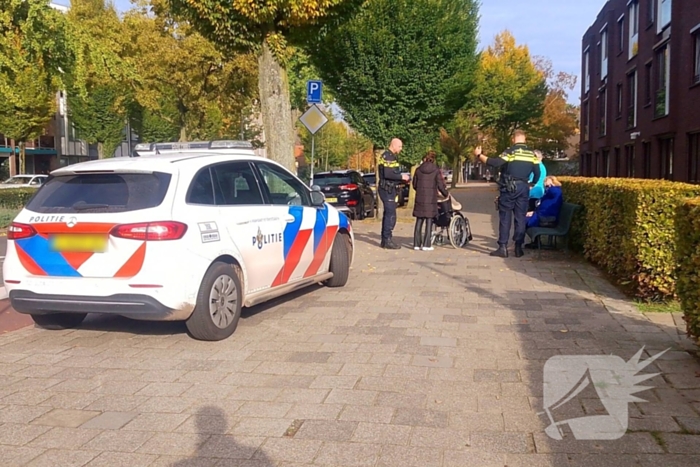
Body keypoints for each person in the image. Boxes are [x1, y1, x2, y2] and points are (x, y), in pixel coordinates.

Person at [474, 129, 541, 258]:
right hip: (524, 187)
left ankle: (503, 247)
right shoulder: (532, 155)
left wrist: (479, 155)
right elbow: (537, 174)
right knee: (520, 217)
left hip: (509, 187)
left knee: (505, 217)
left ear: (513, 139)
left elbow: (495, 163)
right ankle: (518, 248)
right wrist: (530, 184)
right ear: (525, 139)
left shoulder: (511, 152)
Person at [411, 150, 449, 251]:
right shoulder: (436, 170)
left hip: (420, 198)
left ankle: (416, 244)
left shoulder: (418, 170)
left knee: (419, 220)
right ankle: (427, 244)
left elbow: (414, 184)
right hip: (431, 198)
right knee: (429, 220)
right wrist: (446, 194)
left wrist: (419, 190)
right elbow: (441, 185)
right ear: (433, 159)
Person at [377, 138, 409, 249]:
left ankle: (385, 240)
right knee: (391, 215)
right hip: (387, 189)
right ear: (394, 145)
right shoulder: (388, 157)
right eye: (400, 147)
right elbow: (388, 173)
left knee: (388, 214)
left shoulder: (388, 156)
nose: (401, 149)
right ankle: (387, 240)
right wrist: (401, 177)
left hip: (389, 188)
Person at [525, 176, 564, 246]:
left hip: (548, 219)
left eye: (547, 182)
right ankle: (535, 242)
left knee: (524, 221)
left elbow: (553, 193)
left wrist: (550, 185)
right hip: (543, 216)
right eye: (545, 182)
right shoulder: (549, 193)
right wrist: (534, 213)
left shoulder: (555, 191)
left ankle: (523, 244)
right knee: (523, 219)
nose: (545, 184)